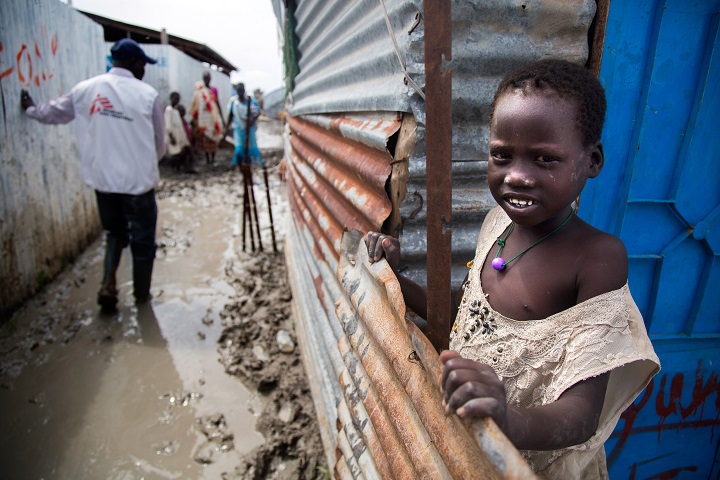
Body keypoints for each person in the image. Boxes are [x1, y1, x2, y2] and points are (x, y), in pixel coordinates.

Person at [366, 59, 659, 479]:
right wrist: (394, 279)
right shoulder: (496, 225)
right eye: (502, 155)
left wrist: (507, 420)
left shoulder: (597, 257)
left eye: (545, 159)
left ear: (592, 161)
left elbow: (582, 414)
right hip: (468, 447)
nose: (517, 176)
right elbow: (466, 317)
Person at [21, 38, 166, 311]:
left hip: (103, 183)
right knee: (143, 240)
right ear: (135, 63)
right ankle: (141, 298)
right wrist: (145, 165)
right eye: (143, 64)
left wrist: (30, 109)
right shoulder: (147, 95)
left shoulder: (85, 90)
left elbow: (54, 113)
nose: (144, 70)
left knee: (114, 232)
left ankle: (108, 283)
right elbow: (160, 143)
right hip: (138, 185)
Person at [189, 71, 224, 165]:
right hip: (204, 119)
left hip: (213, 118)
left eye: (208, 77)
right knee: (205, 139)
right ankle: (208, 159)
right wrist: (194, 117)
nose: (206, 79)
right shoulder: (199, 90)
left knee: (214, 137)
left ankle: (213, 158)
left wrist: (222, 116)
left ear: (210, 78)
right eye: (205, 78)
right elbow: (195, 103)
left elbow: (217, 103)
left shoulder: (214, 90)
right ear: (203, 78)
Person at [225, 82, 263, 167]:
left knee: (249, 151)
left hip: (249, 130)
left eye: (241, 91)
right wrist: (226, 129)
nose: (240, 93)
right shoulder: (234, 102)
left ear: (244, 90)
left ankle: (248, 171)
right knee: (239, 151)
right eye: (238, 91)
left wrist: (251, 121)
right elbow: (230, 116)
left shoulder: (250, 101)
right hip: (238, 130)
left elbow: (257, 112)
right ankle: (241, 169)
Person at [164, 91, 196, 173]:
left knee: (180, 151)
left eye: (178, 99)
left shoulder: (175, 110)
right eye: (175, 99)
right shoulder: (169, 110)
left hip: (179, 135)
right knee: (175, 153)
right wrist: (171, 136)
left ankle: (182, 168)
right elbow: (168, 125)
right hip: (173, 135)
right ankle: (175, 169)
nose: (177, 101)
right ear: (171, 99)